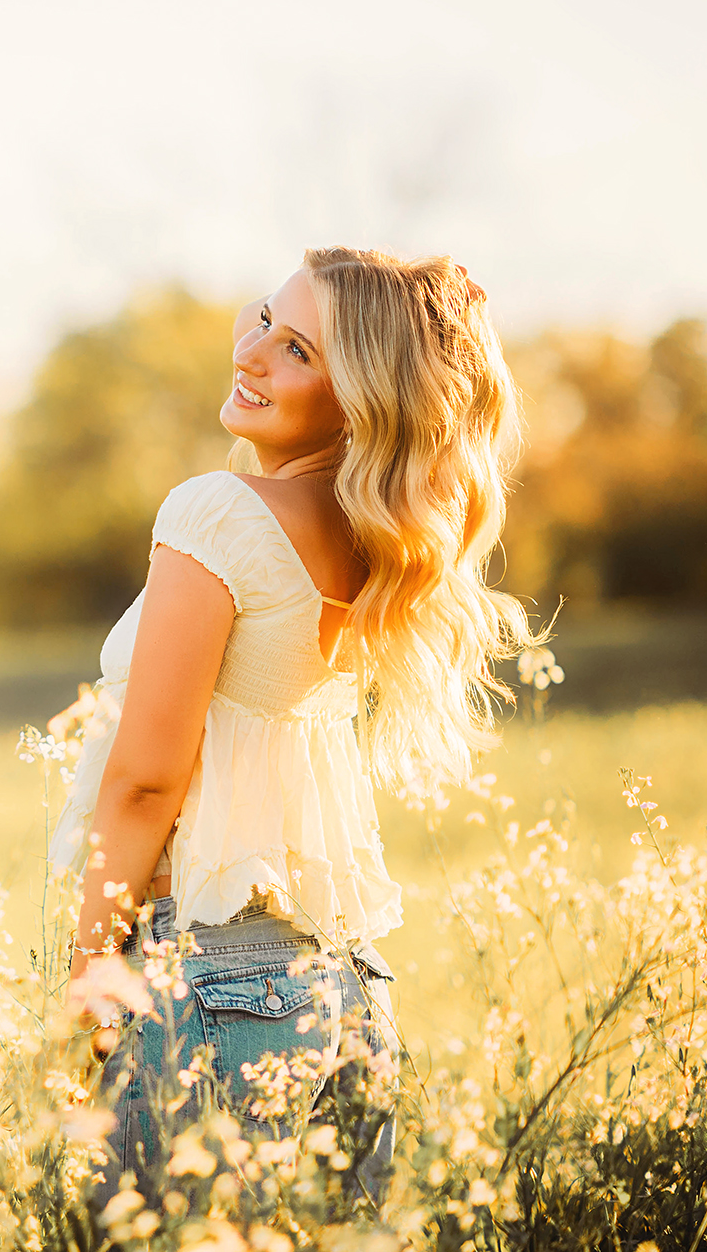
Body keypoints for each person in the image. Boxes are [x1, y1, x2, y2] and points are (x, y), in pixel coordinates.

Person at [49, 246, 540, 1214]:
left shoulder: (218, 514)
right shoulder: (374, 542)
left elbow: (146, 781)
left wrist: (89, 977)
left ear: (360, 400)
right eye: (266, 320)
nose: (253, 353)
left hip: (208, 983)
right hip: (347, 985)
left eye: (298, 352)